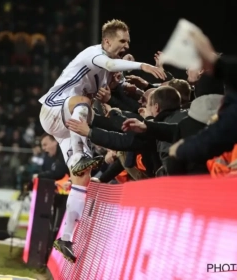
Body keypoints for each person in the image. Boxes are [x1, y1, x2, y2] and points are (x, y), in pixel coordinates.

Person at [38, 19, 166, 263]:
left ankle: (65, 237)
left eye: (128, 41)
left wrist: (133, 85)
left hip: (69, 125)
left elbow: (119, 81)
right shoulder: (93, 54)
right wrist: (143, 66)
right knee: (82, 103)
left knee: (81, 179)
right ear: (107, 41)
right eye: (122, 40)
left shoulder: (107, 75)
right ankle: (80, 156)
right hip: (53, 111)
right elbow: (108, 62)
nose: (127, 45)